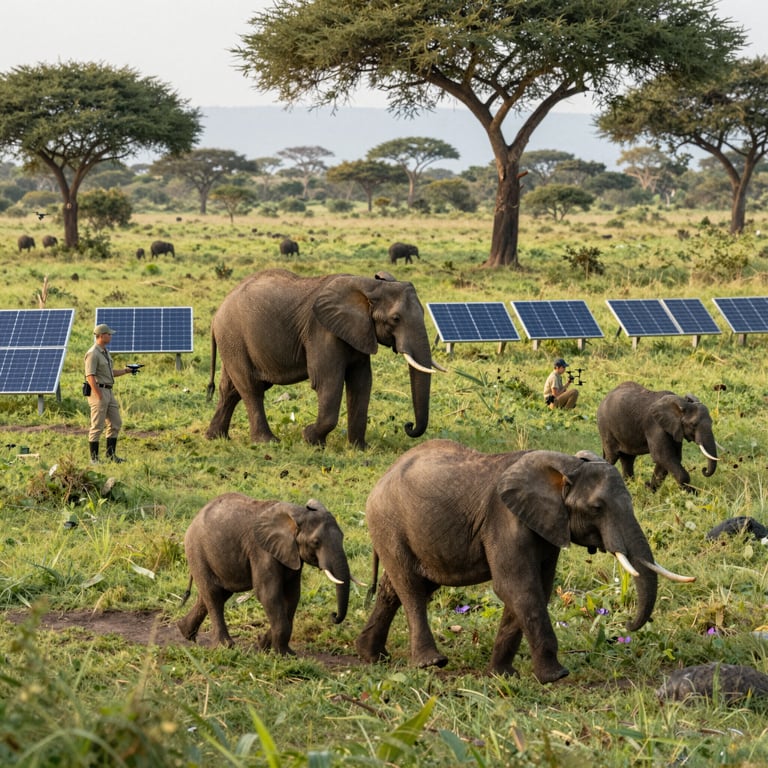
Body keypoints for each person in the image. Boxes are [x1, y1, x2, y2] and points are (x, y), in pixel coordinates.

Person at [84, 323, 132, 463]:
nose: (111, 336)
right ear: (101, 336)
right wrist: (98, 394)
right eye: (108, 334)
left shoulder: (105, 352)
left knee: (115, 422)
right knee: (97, 425)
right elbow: (90, 376)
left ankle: (111, 456)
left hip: (108, 391)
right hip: (98, 391)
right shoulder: (93, 353)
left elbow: (109, 373)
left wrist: (125, 371)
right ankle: (94, 459)